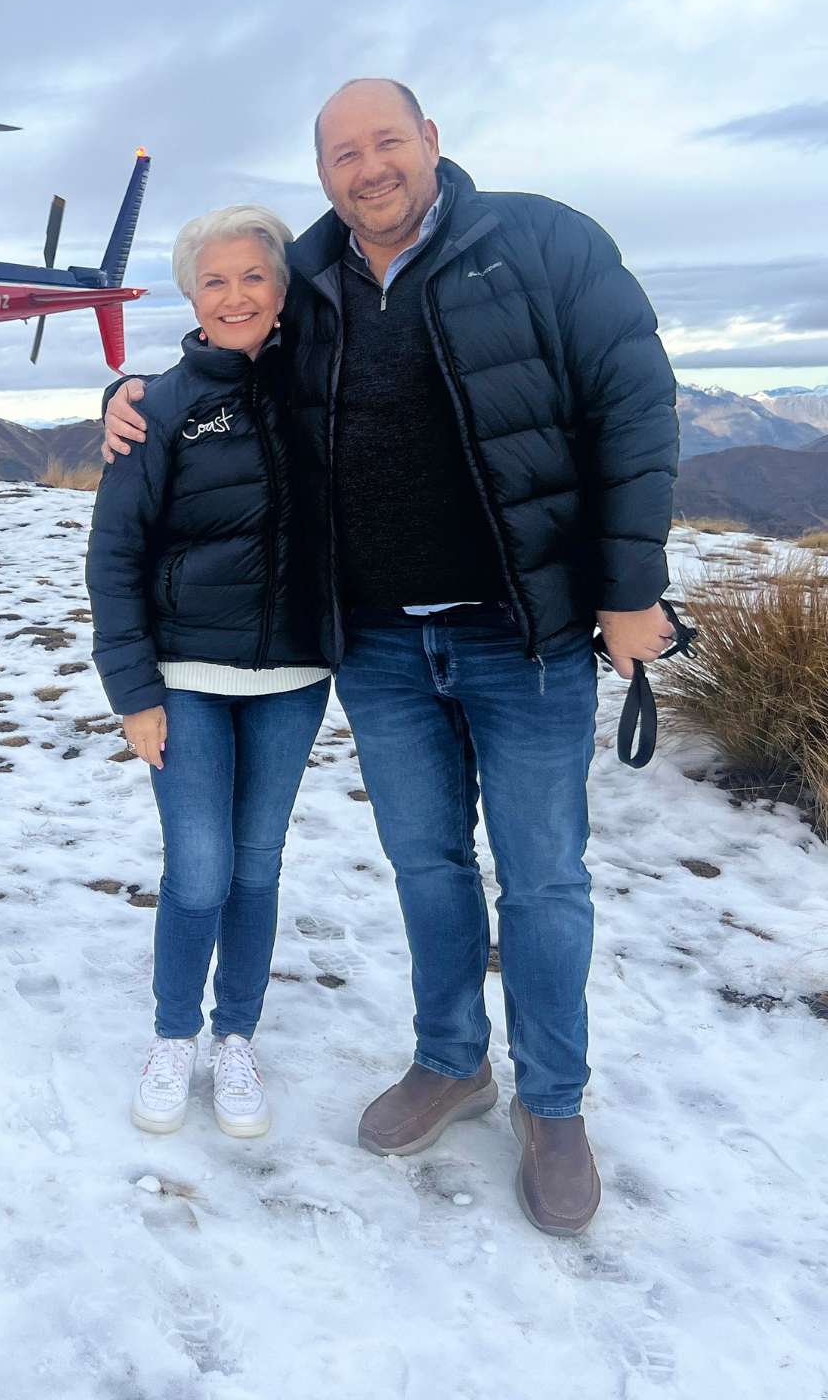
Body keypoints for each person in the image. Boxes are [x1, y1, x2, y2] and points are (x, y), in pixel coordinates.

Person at [102, 80, 678, 1234]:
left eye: (387, 142)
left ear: (431, 141)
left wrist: (628, 588)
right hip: (377, 642)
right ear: (322, 175)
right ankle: (452, 1059)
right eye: (343, 154)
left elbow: (633, 400)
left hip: (523, 633)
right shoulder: (309, 277)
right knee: (427, 864)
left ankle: (553, 1104)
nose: (369, 168)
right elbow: (229, 352)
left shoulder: (543, 242)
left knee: (543, 877)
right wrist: (131, 397)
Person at [88, 205, 330, 1141]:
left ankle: (236, 1036)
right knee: (199, 871)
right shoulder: (156, 407)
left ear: (283, 288)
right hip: (185, 676)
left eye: (254, 276)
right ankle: (173, 1035)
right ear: (192, 296)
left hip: (295, 676)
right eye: (214, 280)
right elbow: (115, 555)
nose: (235, 296)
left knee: (257, 867)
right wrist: (134, 694)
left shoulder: (324, 386)